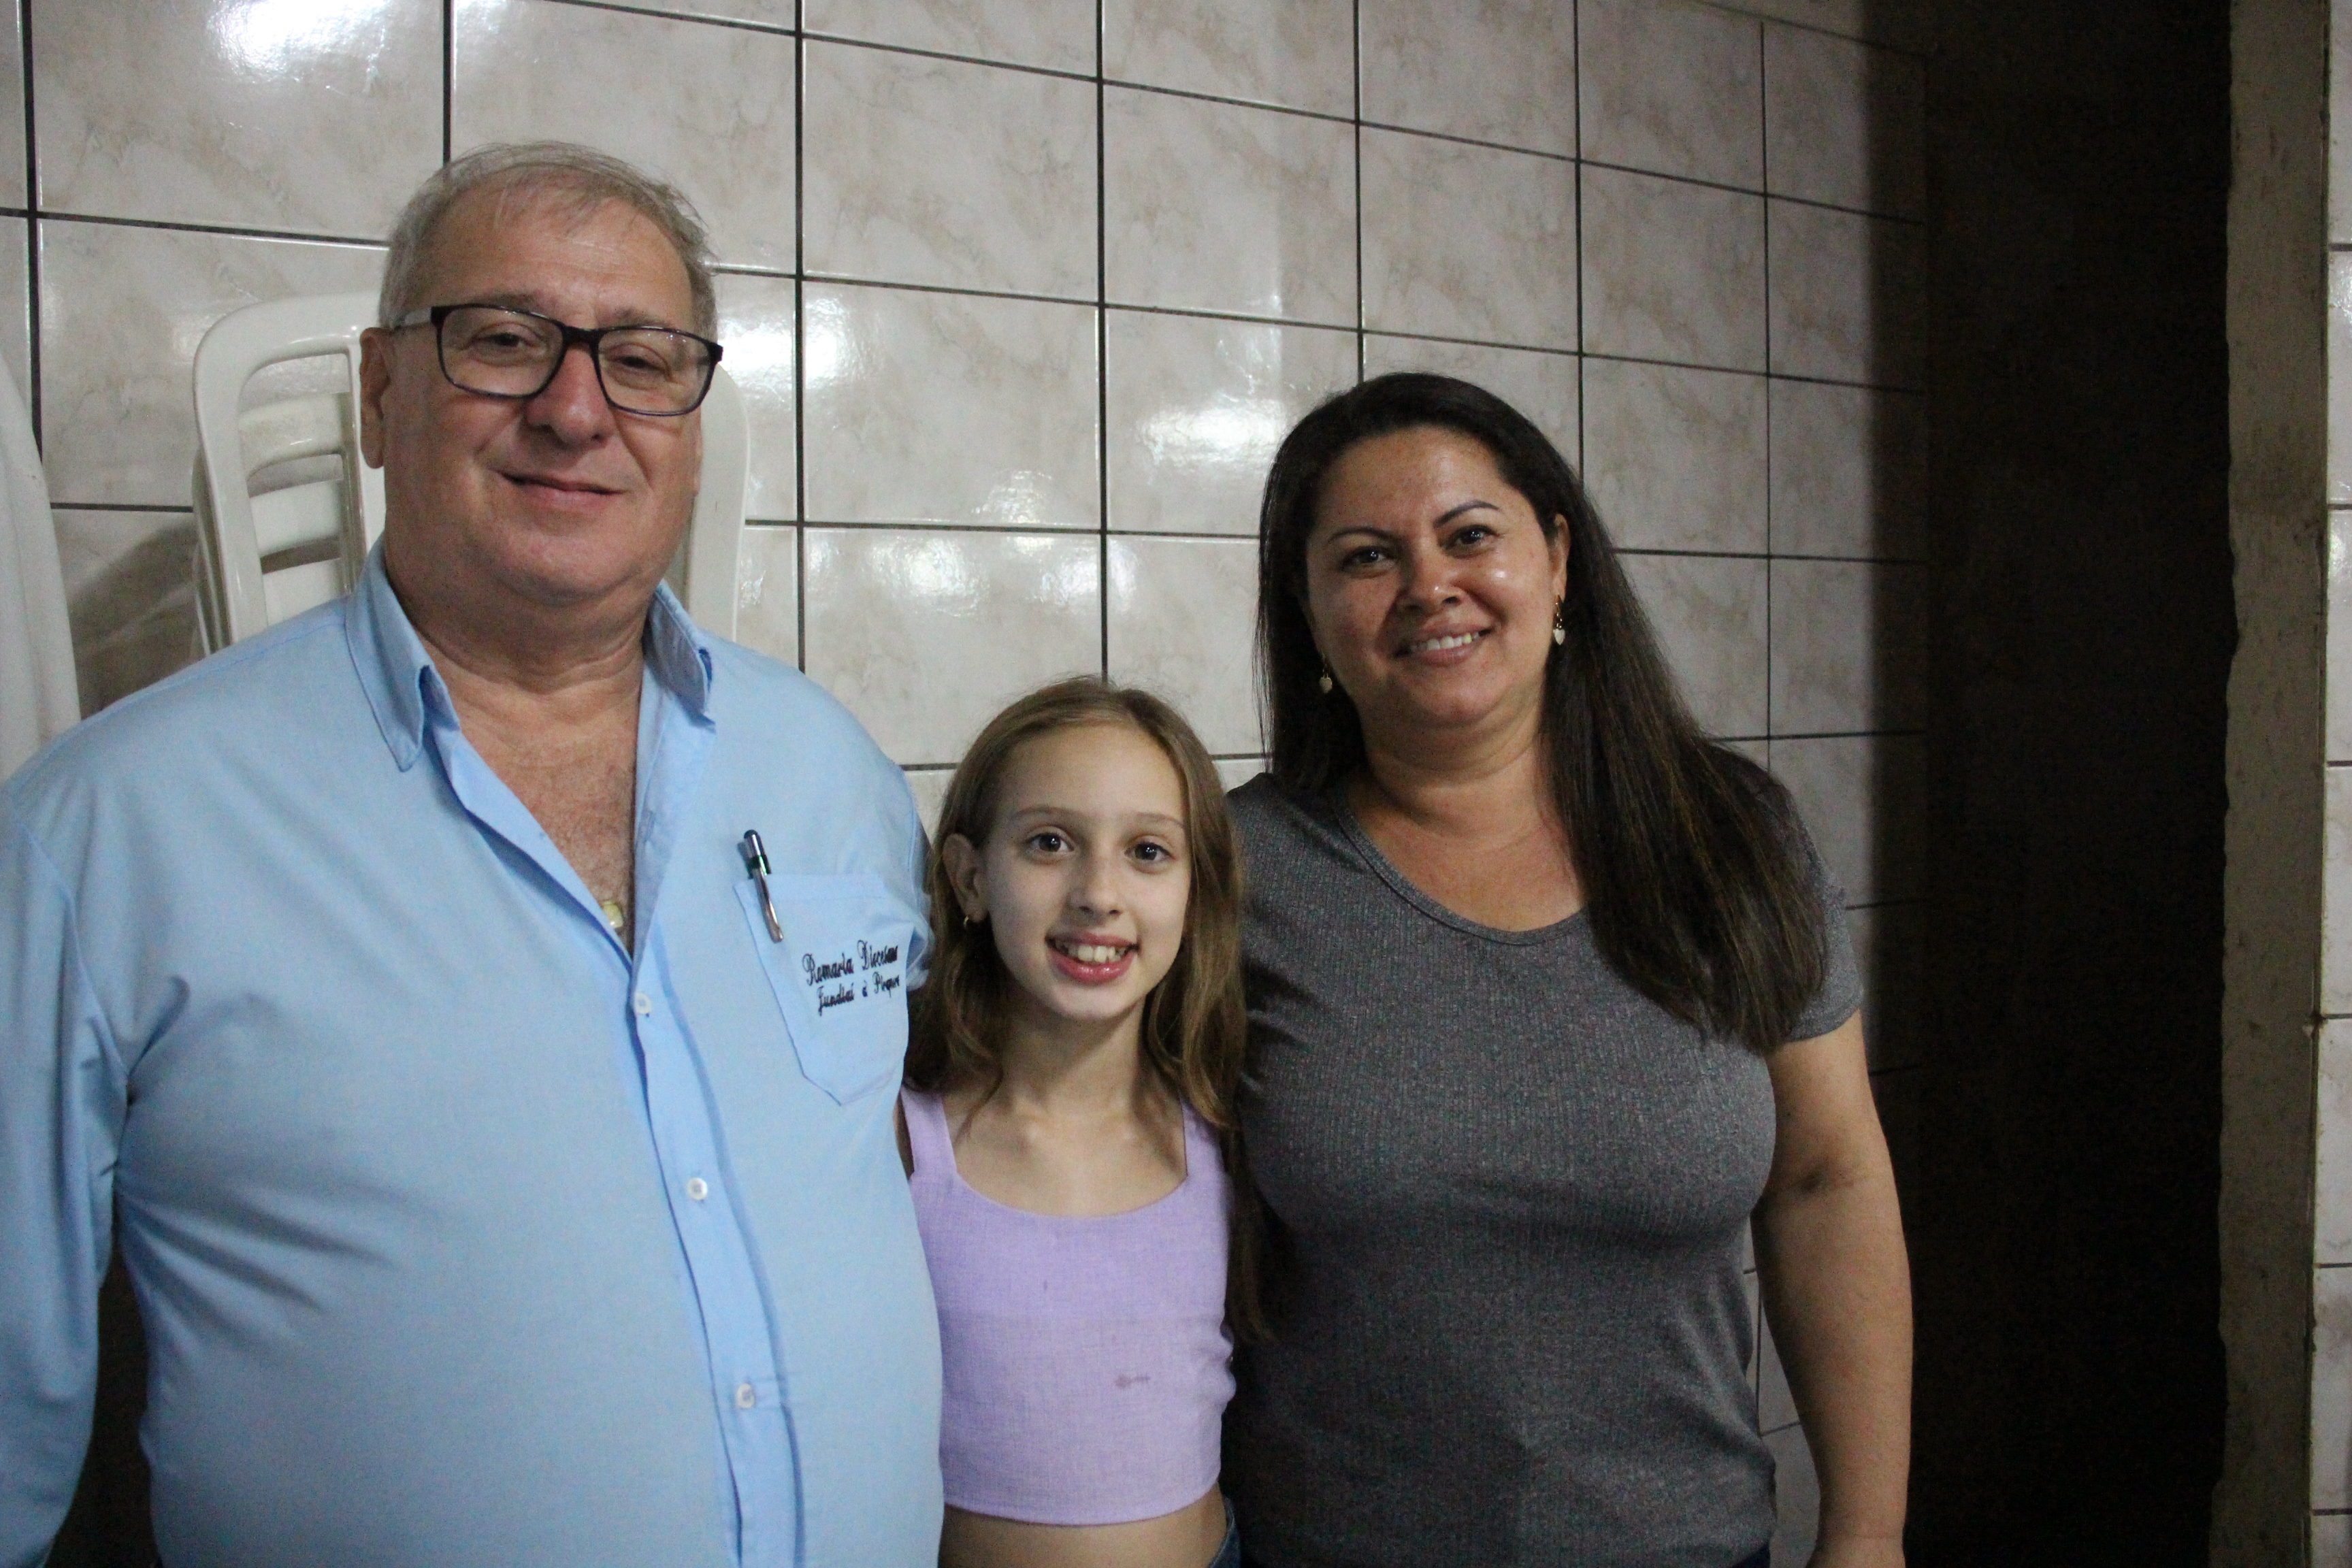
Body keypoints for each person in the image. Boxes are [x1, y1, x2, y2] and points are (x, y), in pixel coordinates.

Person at [0, 142, 941, 1568]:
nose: (576, 410)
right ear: (380, 394)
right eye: (503, 342)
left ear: (691, 425)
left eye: (641, 360)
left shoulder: (832, 773)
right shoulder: (107, 835)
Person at [1222, 373, 1913, 1567]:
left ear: (1557, 560)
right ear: (1311, 609)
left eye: (1469, 536)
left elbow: (1826, 1180)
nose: (1429, 585)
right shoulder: (1236, 871)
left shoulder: (1729, 837)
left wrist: (1868, 1533)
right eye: (1367, 557)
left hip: (1687, 1546)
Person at [900, 678, 1254, 1568]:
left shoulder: (1230, 1131)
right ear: (971, 878)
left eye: (1148, 851)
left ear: (1196, 890)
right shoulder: (899, 1139)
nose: (1099, 894)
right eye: (1049, 843)